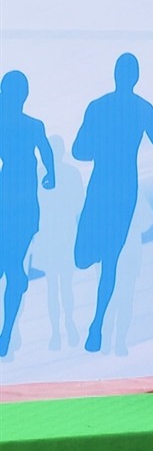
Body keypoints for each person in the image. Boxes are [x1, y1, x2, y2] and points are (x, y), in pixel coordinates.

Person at [72, 53, 153, 353]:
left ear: (116, 75)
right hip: (118, 188)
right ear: (135, 78)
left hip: (111, 187)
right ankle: (97, 317)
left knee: (107, 259)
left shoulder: (101, 107)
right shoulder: (139, 108)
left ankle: (96, 326)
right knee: (86, 258)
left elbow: (78, 150)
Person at [0, 70, 55, 357]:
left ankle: (7, 331)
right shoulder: (32, 125)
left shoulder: (10, 124)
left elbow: (47, 152)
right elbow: (46, 153)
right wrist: (51, 175)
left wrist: (51, 173)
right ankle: (7, 331)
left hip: (11, 204)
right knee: (11, 267)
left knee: (9, 266)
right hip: (21, 207)